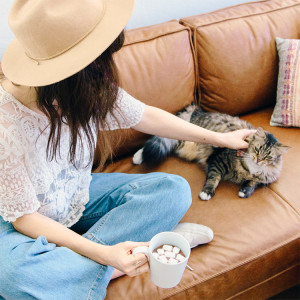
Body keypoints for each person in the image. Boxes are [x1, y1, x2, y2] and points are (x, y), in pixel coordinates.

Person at [0, 1, 256, 299]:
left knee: (172, 190)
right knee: (12, 275)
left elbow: (146, 116)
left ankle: (73, 269)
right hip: (20, 216)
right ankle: (148, 250)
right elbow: (24, 218)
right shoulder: (6, 122)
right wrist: (104, 254)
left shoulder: (84, 87)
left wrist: (221, 138)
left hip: (72, 193)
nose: (105, 68)